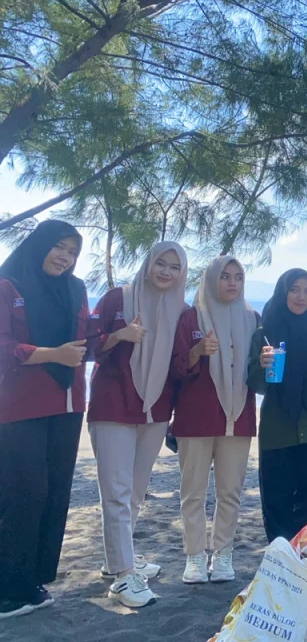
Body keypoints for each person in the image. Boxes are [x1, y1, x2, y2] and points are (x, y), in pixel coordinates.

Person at [88, 241, 188, 609]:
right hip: (112, 405)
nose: (166, 272)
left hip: (156, 410)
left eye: (174, 267)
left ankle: (118, 556)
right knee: (115, 490)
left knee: (135, 491)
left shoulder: (183, 310)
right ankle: (124, 574)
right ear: (147, 264)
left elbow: (181, 369)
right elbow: (89, 345)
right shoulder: (118, 298)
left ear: (182, 273)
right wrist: (120, 335)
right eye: (160, 263)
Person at [0, 221, 89, 620]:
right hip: (19, 405)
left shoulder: (76, 289)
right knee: (24, 492)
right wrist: (53, 354)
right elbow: (4, 348)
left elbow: (87, 339)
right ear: (38, 245)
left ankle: (32, 579)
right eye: (58, 247)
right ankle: (8, 587)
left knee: (54, 493)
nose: (65, 257)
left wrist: (118, 337)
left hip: (68, 404)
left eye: (72, 251)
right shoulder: (8, 286)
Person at [170, 256, 258, 585]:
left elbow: (257, 372)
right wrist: (197, 352)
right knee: (192, 492)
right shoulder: (191, 317)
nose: (232, 283)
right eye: (225, 276)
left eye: (238, 277)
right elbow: (176, 369)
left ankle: (223, 554)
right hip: (195, 418)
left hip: (237, 418)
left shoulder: (252, 318)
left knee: (230, 492)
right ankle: (194, 556)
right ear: (210, 280)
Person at [247, 269, 307, 543]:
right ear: (283, 291)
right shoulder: (265, 333)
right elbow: (257, 385)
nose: (301, 297)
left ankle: (302, 557)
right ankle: (279, 556)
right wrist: (261, 367)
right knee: (276, 500)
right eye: (295, 289)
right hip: (278, 428)